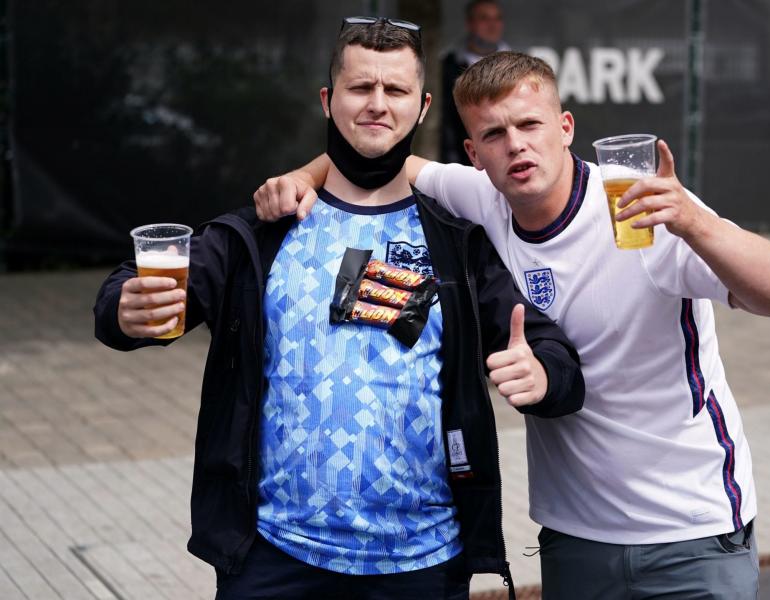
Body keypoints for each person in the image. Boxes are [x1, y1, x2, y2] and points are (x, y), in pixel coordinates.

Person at [255, 51, 770, 599]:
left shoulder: (643, 209)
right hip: (575, 535)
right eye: (493, 134)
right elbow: (374, 154)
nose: (515, 144)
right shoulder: (482, 199)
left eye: (529, 124)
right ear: (474, 153)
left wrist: (693, 221)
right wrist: (300, 177)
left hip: (693, 531)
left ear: (565, 128)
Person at [95, 27, 584, 600]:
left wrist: (543, 374)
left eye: (396, 90)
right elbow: (135, 292)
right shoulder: (264, 229)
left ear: (421, 107)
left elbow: (554, 355)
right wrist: (125, 309)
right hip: (272, 558)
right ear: (328, 100)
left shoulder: (458, 240)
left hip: (422, 561)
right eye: (360, 87)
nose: (378, 103)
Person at [440, 0, 508, 165]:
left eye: (497, 18)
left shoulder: (520, 65)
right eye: (484, 18)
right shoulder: (447, 67)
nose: (492, 25)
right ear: (470, 24)